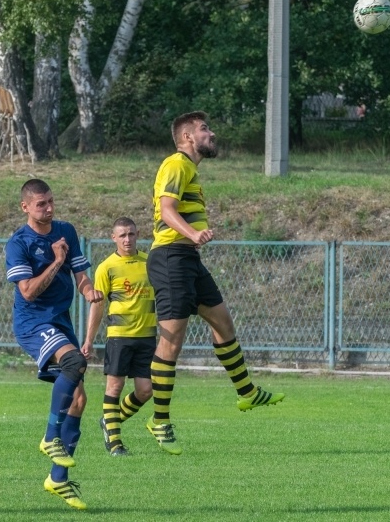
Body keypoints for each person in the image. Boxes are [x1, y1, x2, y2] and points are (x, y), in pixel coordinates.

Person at [145, 111, 285, 455]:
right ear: (188, 137)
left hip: (187, 259)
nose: (212, 133)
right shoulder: (176, 164)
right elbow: (166, 210)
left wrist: (192, 239)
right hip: (169, 258)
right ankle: (159, 421)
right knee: (172, 341)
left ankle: (246, 392)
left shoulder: (190, 169)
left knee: (223, 323)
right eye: (205, 129)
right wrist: (193, 232)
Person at [5, 178, 104, 510]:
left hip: (59, 321)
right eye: (40, 204)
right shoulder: (18, 243)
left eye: (50, 202)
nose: (48, 209)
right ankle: (50, 438)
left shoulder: (66, 230)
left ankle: (58, 479)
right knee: (75, 363)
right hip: (33, 322)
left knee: (78, 400)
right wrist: (56, 260)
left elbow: (81, 274)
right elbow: (28, 291)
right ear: (25, 207)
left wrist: (89, 291)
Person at [82, 217, 155, 457]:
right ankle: (115, 444)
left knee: (146, 390)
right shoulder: (107, 267)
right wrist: (89, 340)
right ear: (113, 238)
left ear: (137, 235)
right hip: (119, 337)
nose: (127, 239)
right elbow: (98, 305)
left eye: (131, 234)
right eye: (122, 235)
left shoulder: (149, 262)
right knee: (115, 386)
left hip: (147, 336)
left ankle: (109, 422)